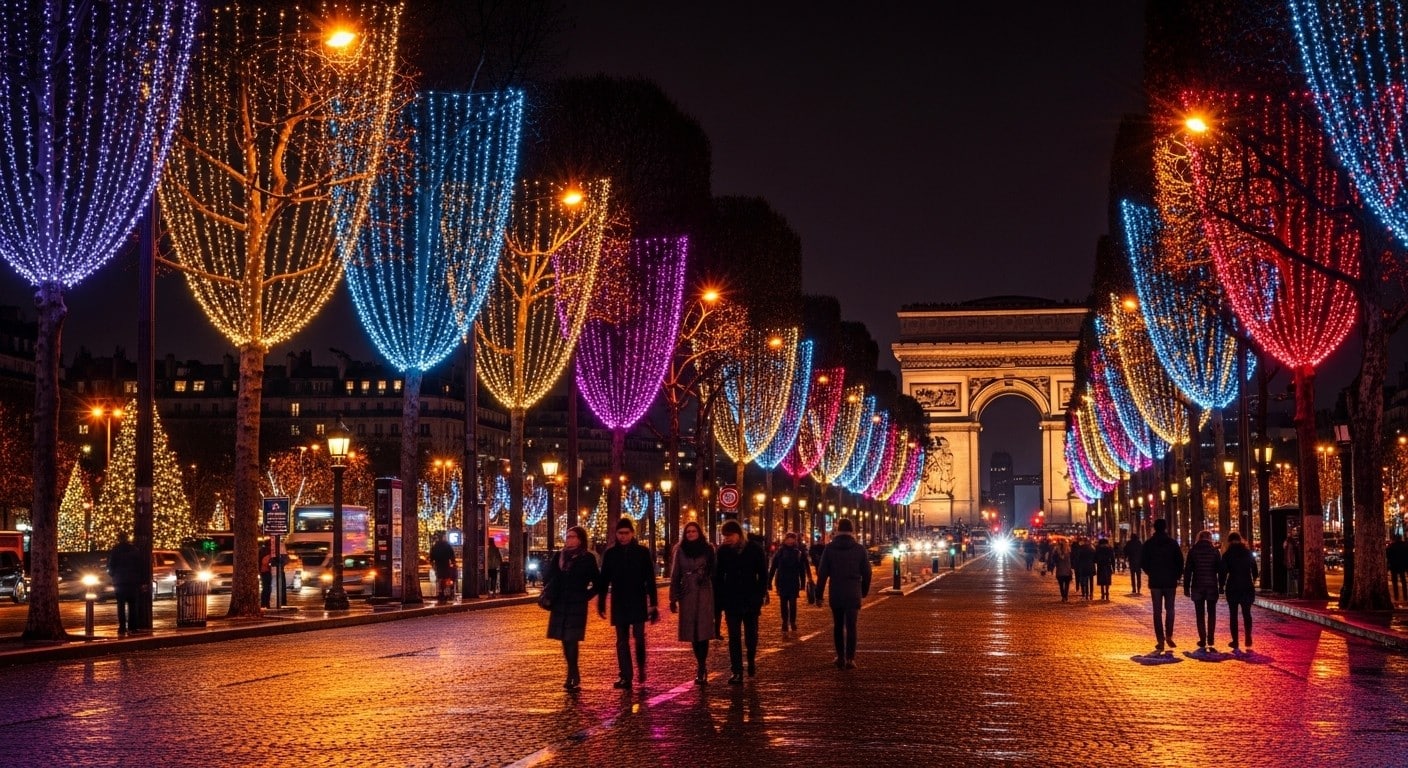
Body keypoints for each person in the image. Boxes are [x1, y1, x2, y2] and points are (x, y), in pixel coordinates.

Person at [598, 518, 659, 689]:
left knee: (639, 637)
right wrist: (601, 602)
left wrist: (653, 602)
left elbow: (650, 579)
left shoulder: (642, 552)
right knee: (621, 640)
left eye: (626, 533)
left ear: (632, 534)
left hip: (638, 599)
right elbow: (604, 580)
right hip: (619, 601)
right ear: (616, 534)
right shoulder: (610, 554)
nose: (623, 536)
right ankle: (626, 675)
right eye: (620, 533)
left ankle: (640, 667)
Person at [543, 526, 600, 691]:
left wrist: (585, 596)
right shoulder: (559, 556)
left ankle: (572, 673)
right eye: (567, 537)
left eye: (573, 537)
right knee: (563, 639)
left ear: (580, 539)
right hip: (560, 603)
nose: (569, 540)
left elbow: (597, 582)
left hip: (576, 603)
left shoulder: (587, 558)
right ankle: (572, 671)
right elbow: (549, 576)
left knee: (571, 639)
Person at [713, 519, 767, 684]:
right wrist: (719, 599)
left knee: (751, 636)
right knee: (734, 637)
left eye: (729, 535)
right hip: (732, 599)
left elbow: (762, 574)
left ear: (738, 534)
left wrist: (760, 595)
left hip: (751, 599)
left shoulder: (754, 549)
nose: (727, 539)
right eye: (725, 536)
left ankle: (750, 659)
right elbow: (718, 577)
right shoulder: (722, 551)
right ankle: (736, 671)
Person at [816, 518, 871, 670]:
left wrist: (819, 595)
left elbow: (822, 574)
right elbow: (867, 572)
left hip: (836, 590)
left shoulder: (829, 549)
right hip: (853, 590)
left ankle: (840, 656)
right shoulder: (859, 549)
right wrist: (864, 590)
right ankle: (850, 658)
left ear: (837, 530)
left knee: (838, 625)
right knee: (852, 626)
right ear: (852, 531)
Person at [669, 521, 716, 685]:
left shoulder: (708, 549)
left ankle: (702, 666)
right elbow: (675, 574)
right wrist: (673, 598)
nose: (690, 534)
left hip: (704, 591)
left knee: (703, 631)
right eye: (688, 531)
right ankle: (700, 663)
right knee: (692, 633)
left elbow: (714, 569)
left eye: (693, 531)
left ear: (699, 532)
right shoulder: (680, 550)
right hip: (687, 592)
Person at [1141, 518, 1185, 653]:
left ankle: (1160, 639)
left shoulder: (1149, 544)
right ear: (1166, 527)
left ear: (1154, 528)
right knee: (1170, 610)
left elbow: (1143, 562)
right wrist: (1176, 576)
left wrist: (1151, 573)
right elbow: (1180, 561)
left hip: (1155, 582)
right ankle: (1169, 635)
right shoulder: (1172, 543)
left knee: (1157, 612)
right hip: (1170, 582)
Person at [1183, 529, 1222, 653]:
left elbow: (1188, 570)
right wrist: (1221, 586)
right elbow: (1220, 570)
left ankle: (1202, 639)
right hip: (1211, 585)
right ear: (1210, 538)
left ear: (1198, 538)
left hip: (1197, 585)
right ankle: (1211, 638)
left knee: (1199, 614)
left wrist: (1186, 587)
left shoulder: (1193, 551)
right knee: (1212, 613)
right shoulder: (1215, 552)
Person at [1220, 531, 1257, 652]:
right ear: (1240, 540)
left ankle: (1235, 641)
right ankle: (1248, 637)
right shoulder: (1248, 553)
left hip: (1233, 586)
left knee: (1233, 615)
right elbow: (1255, 570)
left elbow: (1223, 572)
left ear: (1229, 541)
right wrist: (1254, 579)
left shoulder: (1227, 554)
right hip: (1247, 585)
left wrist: (1221, 586)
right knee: (1247, 613)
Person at [768, 531, 811, 635]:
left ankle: (792, 621)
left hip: (793, 580)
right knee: (783, 603)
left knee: (792, 603)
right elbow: (773, 567)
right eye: (788, 538)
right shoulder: (780, 552)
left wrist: (803, 581)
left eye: (792, 538)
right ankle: (784, 622)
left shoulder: (798, 552)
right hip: (782, 581)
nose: (790, 540)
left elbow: (803, 568)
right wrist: (769, 581)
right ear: (785, 539)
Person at [107, 532, 142, 635]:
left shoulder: (115, 550)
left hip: (119, 581)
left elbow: (111, 566)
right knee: (133, 605)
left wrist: (113, 575)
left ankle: (122, 627)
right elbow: (139, 566)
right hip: (132, 581)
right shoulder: (134, 550)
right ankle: (133, 627)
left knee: (121, 606)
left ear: (119, 538)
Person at [429, 532, 456, 605]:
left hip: (439, 565)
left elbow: (431, 557)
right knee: (446, 578)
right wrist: (453, 563)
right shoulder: (447, 546)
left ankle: (441, 592)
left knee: (440, 579)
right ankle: (446, 592)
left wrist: (433, 564)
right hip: (445, 565)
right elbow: (452, 555)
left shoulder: (435, 546)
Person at [1047, 537, 1073, 602]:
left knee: (1061, 585)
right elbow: (1072, 560)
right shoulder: (1069, 551)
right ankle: (1066, 596)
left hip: (1060, 570)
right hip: (1067, 570)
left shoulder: (1056, 552)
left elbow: (1053, 560)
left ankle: (1063, 596)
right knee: (1067, 585)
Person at [1072, 536, 1096, 600]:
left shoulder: (1080, 548)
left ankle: (1084, 594)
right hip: (1091, 566)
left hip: (1083, 566)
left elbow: (1078, 558)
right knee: (1091, 581)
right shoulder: (1092, 548)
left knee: (1083, 580)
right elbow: (1095, 558)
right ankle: (1091, 594)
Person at [1386, 532, 1408, 602]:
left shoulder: (1391, 546)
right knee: (1403, 581)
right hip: (1402, 565)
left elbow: (1388, 555)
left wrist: (1389, 564)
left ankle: (1396, 597)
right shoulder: (1405, 546)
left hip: (1394, 566)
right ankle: (1405, 597)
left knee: (1395, 582)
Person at [259, 541, 274, 609]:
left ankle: (264, 603)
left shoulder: (262, 551)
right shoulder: (267, 552)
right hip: (266, 571)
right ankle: (265, 603)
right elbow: (265, 562)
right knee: (267, 588)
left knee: (266, 588)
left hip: (264, 571)